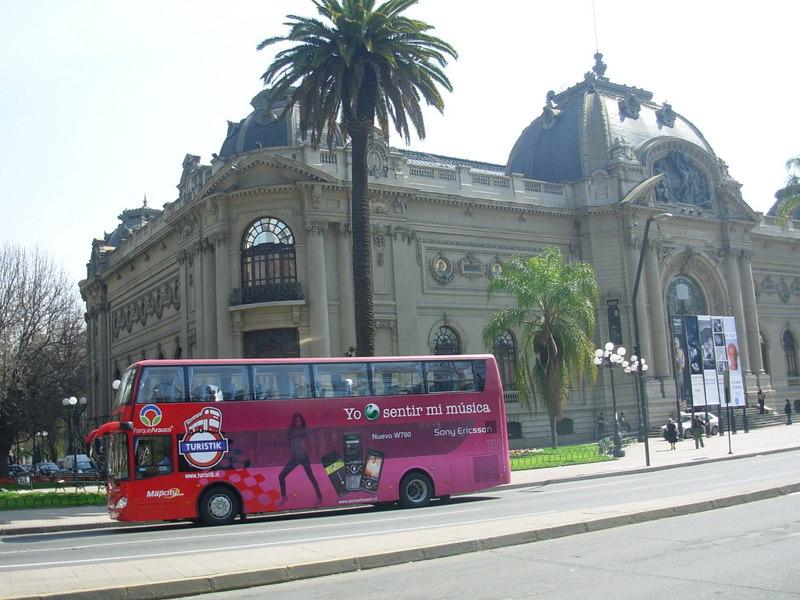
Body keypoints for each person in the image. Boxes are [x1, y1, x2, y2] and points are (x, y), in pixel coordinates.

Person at [278, 413, 323, 505]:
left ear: (302, 421)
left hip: (303, 457)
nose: (298, 422)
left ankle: (320, 497)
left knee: (311, 477)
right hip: (295, 457)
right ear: (294, 422)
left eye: (299, 420)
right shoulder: (293, 431)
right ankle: (284, 496)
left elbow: (311, 439)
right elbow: (287, 440)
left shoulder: (301, 431)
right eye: (296, 421)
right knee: (281, 476)